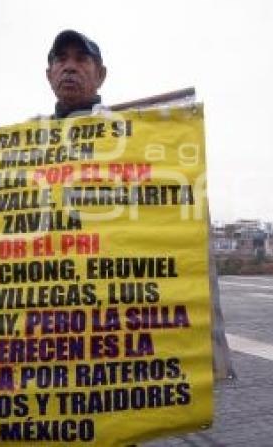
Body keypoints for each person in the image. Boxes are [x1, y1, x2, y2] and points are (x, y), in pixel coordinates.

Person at [44, 29, 234, 378]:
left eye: (81, 59)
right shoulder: (25, 144)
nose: (69, 67)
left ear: (100, 74)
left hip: (117, 316)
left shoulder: (137, 138)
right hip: (55, 319)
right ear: (49, 74)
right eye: (60, 59)